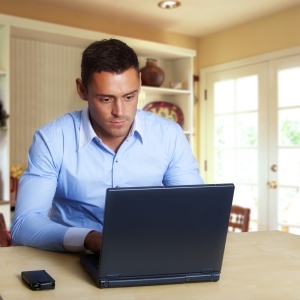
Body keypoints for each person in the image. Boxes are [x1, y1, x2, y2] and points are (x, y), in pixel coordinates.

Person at [11, 39, 204, 253]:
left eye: (130, 96)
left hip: (148, 255)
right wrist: (88, 238)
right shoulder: (51, 140)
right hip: (72, 263)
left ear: (140, 83)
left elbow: (195, 209)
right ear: (82, 90)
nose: (120, 111)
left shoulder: (169, 135)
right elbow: (24, 224)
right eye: (105, 99)